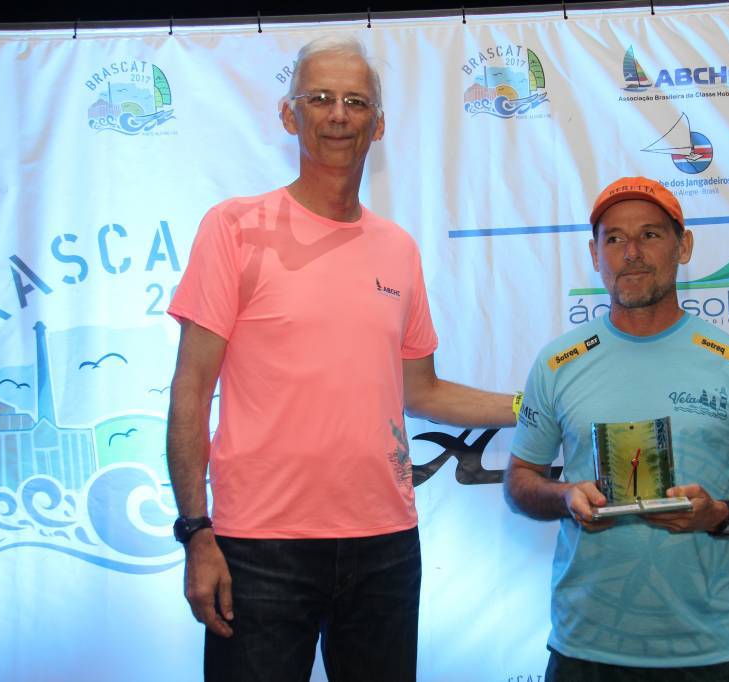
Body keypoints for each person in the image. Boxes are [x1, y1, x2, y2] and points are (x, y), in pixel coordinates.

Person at [165, 35, 515, 682]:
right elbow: (189, 389)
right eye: (320, 98)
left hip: (384, 547)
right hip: (258, 549)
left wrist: (536, 405)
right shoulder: (234, 227)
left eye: (356, 102)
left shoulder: (398, 249)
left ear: (377, 125)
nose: (338, 115)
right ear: (288, 114)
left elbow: (423, 392)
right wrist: (195, 531)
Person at [504, 177, 729, 681]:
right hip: (587, 650)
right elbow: (519, 482)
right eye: (614, 238)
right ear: (595, 254)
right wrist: (565, 497)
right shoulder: (558, 363)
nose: (631, 253)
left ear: (682, 246)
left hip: (713, 654)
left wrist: (720, 514)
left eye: (649, 234)